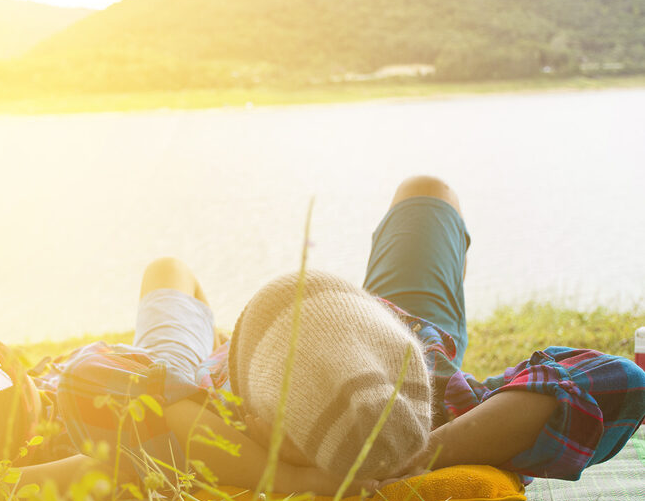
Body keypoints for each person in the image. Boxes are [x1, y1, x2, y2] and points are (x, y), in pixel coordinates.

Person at [0, 258, 360, 501]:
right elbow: (112, 471)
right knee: (166, 280)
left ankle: (214, 349)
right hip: (141, 389)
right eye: (33, 392)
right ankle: (215, 357)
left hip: (143, 373)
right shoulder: (77, 420)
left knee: (166, 271)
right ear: (36, 411)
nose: (39, 385)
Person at [237, 175, 645, 484]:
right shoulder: (440, 401)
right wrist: (424, 454)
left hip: (362, 326)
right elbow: (623, 380)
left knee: (170, 273)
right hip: (409, 329)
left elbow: (175, 416)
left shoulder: (239, 416)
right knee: (428, 189)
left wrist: (293, 477)